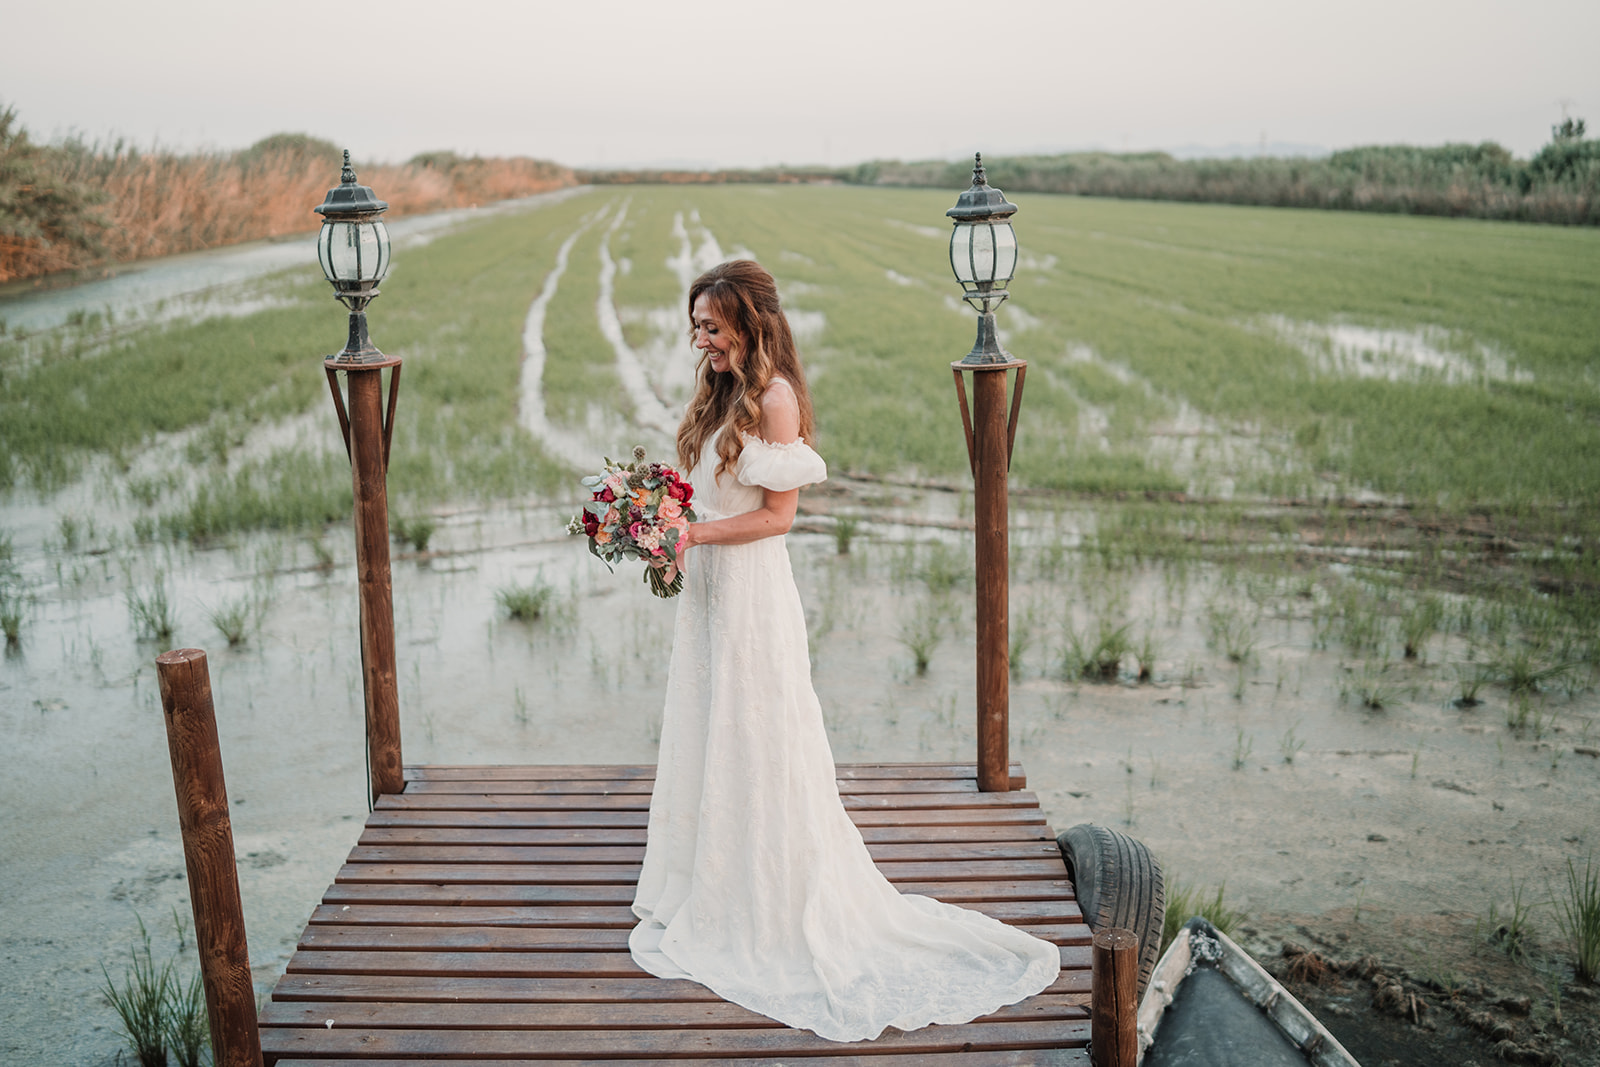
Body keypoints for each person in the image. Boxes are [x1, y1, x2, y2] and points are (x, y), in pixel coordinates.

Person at [628, 259, 1058, 1043]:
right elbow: (707, 492)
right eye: (696, 326)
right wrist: (659, 513)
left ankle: (766, 893)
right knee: (708, 725)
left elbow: (776, 518)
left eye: (713, 328)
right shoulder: (720, 391)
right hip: (710, 594)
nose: (701, 340)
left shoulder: (777, 399)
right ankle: (707, 877)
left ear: (750, 326)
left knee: (757, 736)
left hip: (752, 593)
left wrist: (691, 533)